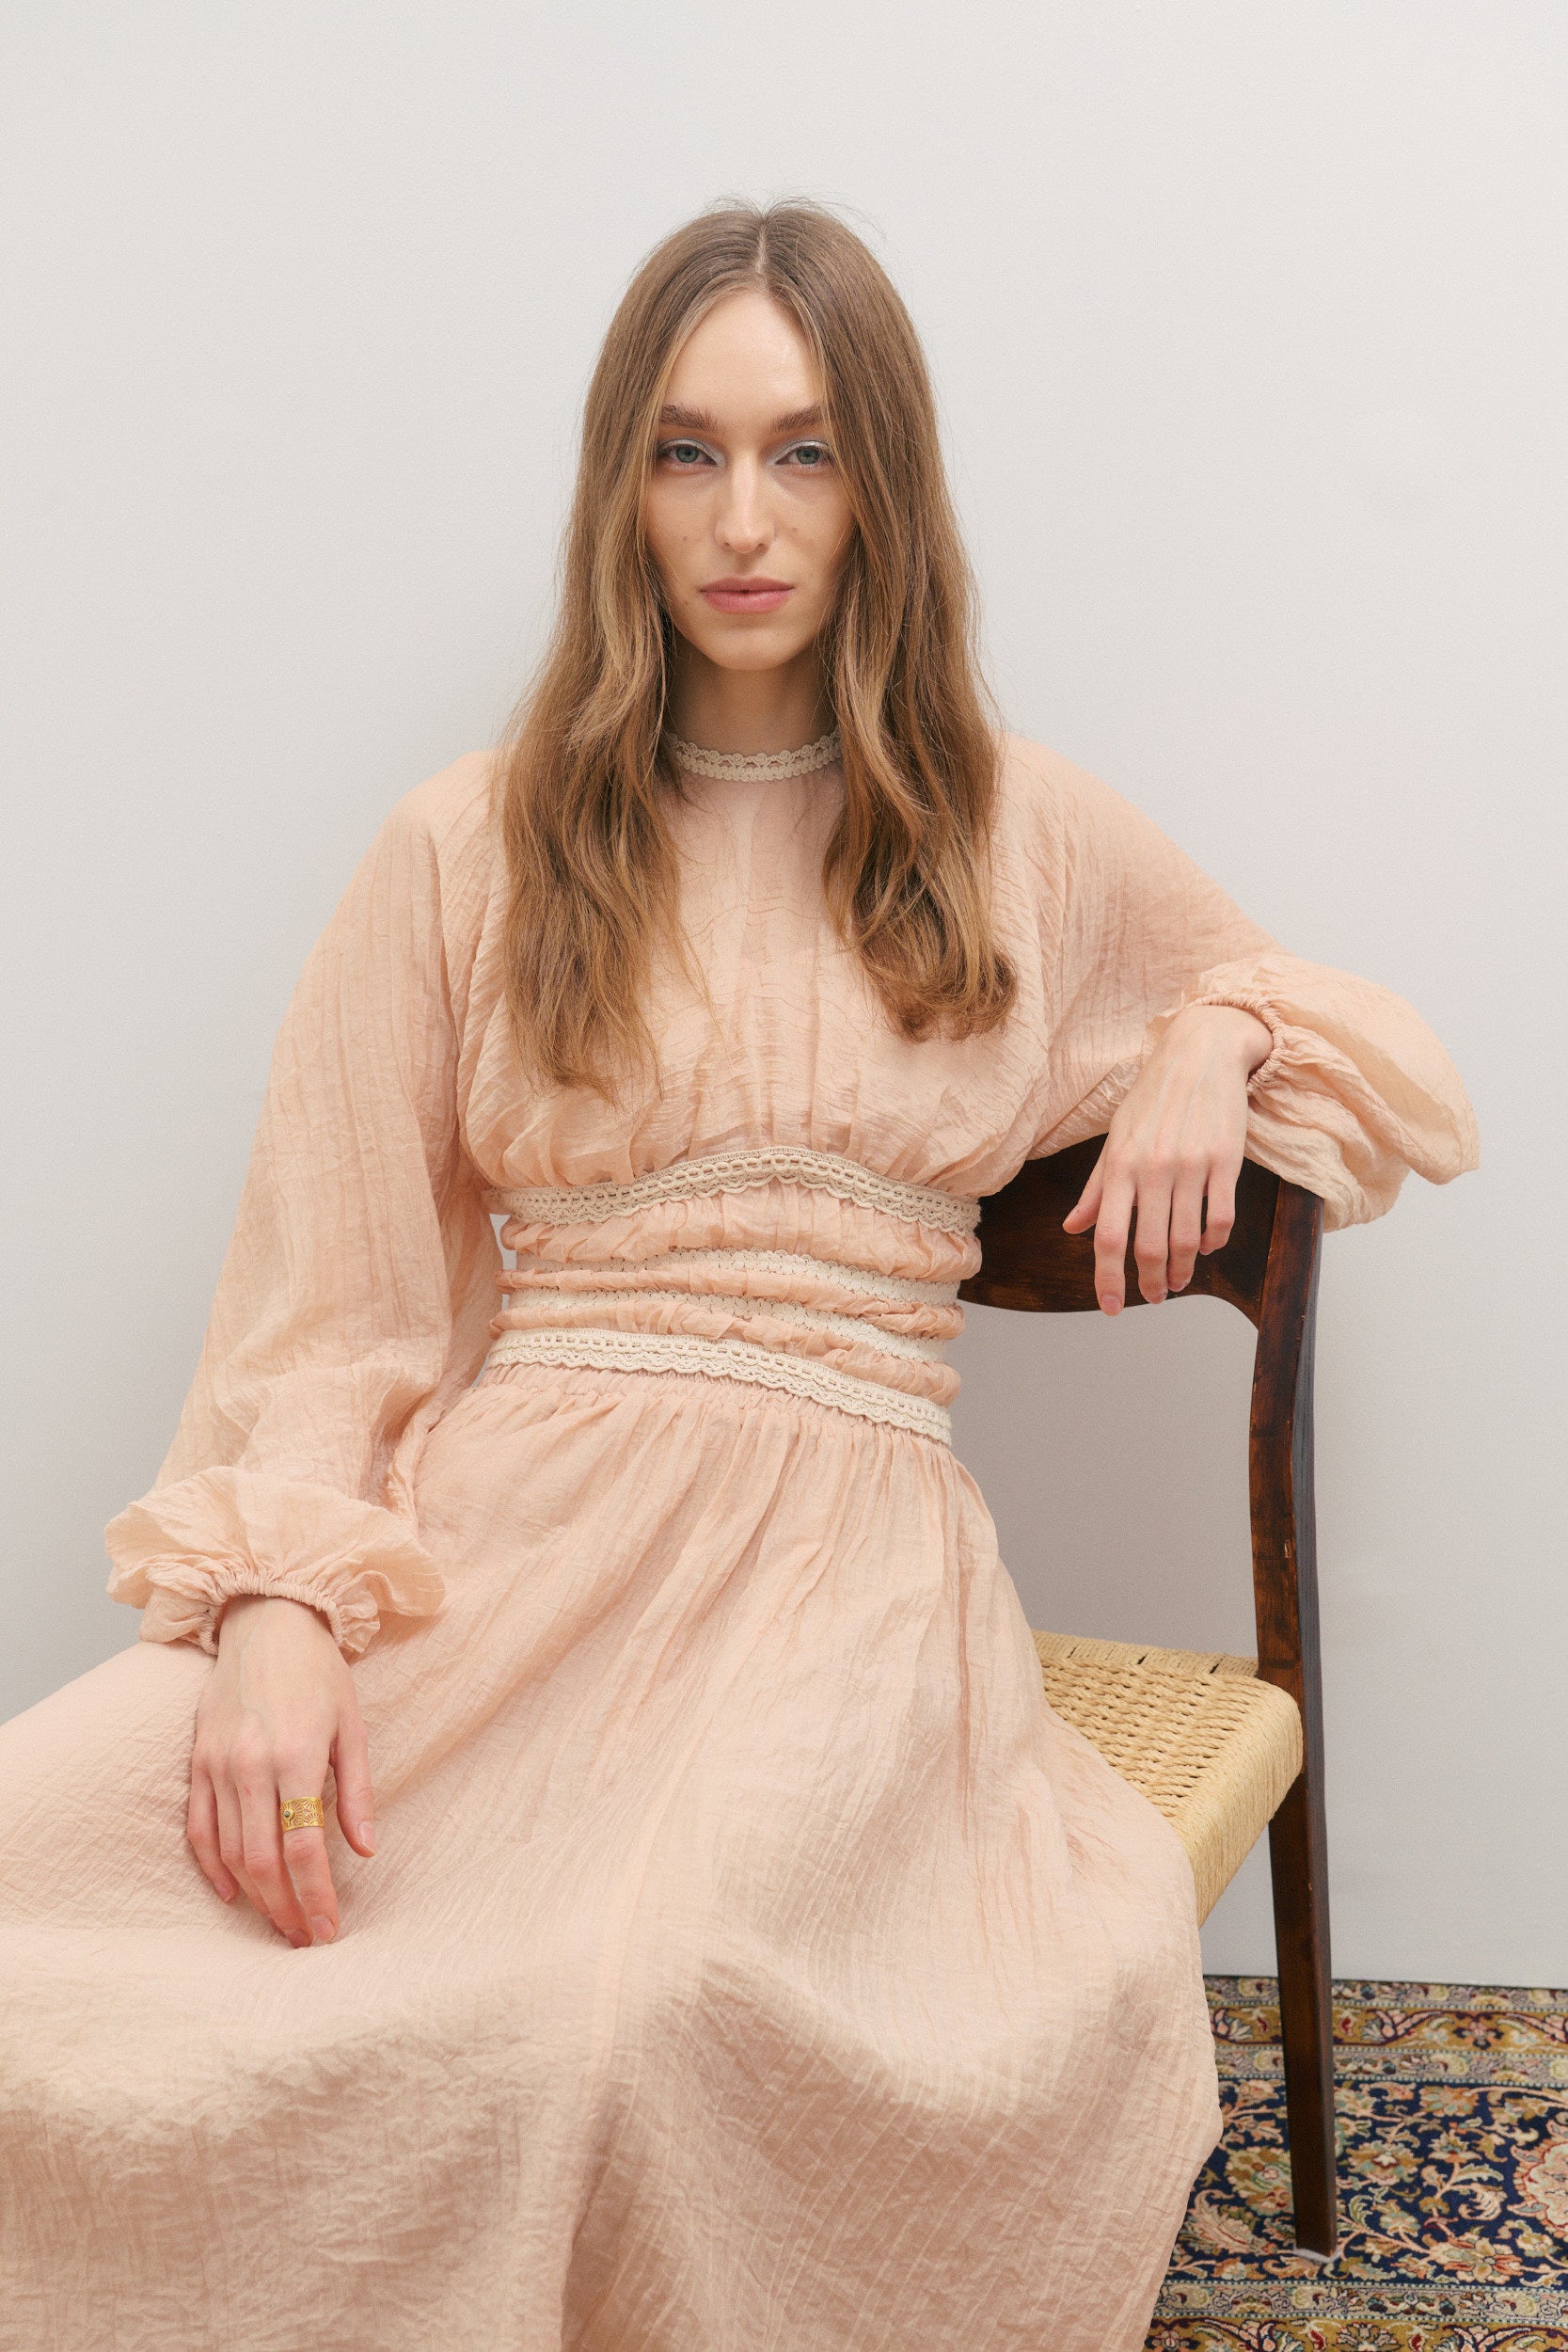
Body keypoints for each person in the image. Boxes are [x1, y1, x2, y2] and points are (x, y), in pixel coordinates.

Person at [0, 202, 1478, 2352]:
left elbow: (1395, 1068)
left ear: (881, 478)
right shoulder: (469, 844)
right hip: (497, 1552)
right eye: (686, 452)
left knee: (639, 2008)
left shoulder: (1008, 828)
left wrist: (1212, 1033)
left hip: (835, 1572)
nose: (744, 518)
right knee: (62, 1875)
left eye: (802, 449)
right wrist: (276, 1611)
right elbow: (334, 1302)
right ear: (623, 487)